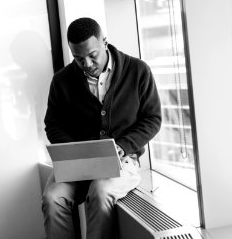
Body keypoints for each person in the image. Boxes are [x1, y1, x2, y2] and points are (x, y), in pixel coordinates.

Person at [41, 17, 161, 239]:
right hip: (76, 163)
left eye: (92, 55)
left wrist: (124, 146)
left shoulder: (138, 70)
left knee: (100, 190)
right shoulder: (61, 81)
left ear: (104, 42)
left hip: (123, 160)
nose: (86, 64)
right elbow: (53, 123)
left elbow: (152, 119)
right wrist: (73, 151)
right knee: (52, 198)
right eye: (78, 59)